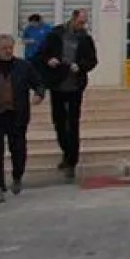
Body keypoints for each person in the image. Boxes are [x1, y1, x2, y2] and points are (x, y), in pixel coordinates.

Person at [0, 33, 45, 204]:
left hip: (16, 116)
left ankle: (17, 176)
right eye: (4, 48)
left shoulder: (23, 67)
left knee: (18, 150)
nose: (8, 51)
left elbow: (38, 83)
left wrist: (39, 94)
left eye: (10, 48)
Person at [38, 9, 98, 181]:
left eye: (84, 23)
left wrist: (80, 66)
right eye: (80, 22)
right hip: (57, 84)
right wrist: (49, 60)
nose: (82, 25)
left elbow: (92, 60)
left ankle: (72, 161)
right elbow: (42, 53)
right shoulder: (56, 34)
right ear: (72, 18)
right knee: (59, 122)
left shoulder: (85, 39)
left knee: (72, 123)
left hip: (75, 86)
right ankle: (66, 152)